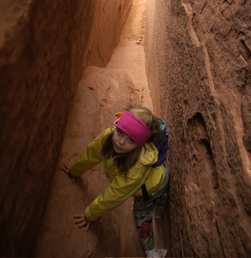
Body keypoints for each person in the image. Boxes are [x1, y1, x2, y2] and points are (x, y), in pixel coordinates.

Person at [62, 106, 170, 258]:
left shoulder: (136, 167)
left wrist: (90, 214)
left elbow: (114, 195)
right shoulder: (108, 135)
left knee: (141, 215)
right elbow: (91, 154)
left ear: (139, 144)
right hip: (160, 171)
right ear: (116, 126)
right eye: (120, 133)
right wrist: (75, 169)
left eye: (130, 140)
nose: (120, 142)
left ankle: (151, 251)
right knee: (161, 198)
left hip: (152, 187)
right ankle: (160, 209)